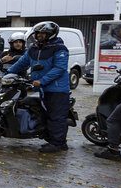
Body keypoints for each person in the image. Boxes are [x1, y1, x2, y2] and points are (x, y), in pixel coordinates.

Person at [7, 21, 72, 153]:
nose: (38, 36)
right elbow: (21, 63)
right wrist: (6, 74)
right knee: (44, 112)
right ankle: (53, 138)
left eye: (42, 33)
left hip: (57, 89)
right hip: (43, 88)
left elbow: (59, 68)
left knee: (56, 116)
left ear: (50, 34)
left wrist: (42, 81)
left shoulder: (59, 48)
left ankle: (58, 144)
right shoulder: (34, 48)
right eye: (37, 33)